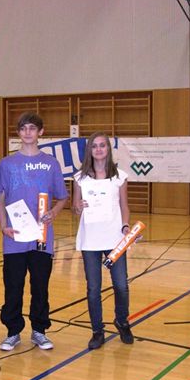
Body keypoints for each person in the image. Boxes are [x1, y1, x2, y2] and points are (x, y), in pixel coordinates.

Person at [0, 112, 68, 351]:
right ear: (18, 132)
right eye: (23, 128)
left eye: (32, 128)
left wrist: (54, 212)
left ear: (40, 132)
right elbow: (0, 198)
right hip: (14, 237)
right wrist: (3, 225)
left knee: (40, 286)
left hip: (41, 237)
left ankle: (39, 330)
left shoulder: (51, 163)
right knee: (13, 286)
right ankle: (12, 331)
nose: (27, 132)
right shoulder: (6, 164)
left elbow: (63, 197)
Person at [73, 131, 134, 350]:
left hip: (114, 239)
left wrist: (125, 225)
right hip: (90, 240)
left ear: (108, 149)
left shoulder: (120, 177)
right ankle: (97, 331)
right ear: (89, 150)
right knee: (93, 289)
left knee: (121, 285)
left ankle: (122, 321)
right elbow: (75, 208)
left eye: (102, 145)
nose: (98, 149)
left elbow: (124, 206)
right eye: (94, 146)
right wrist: (78, 207)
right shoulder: (80, 178)